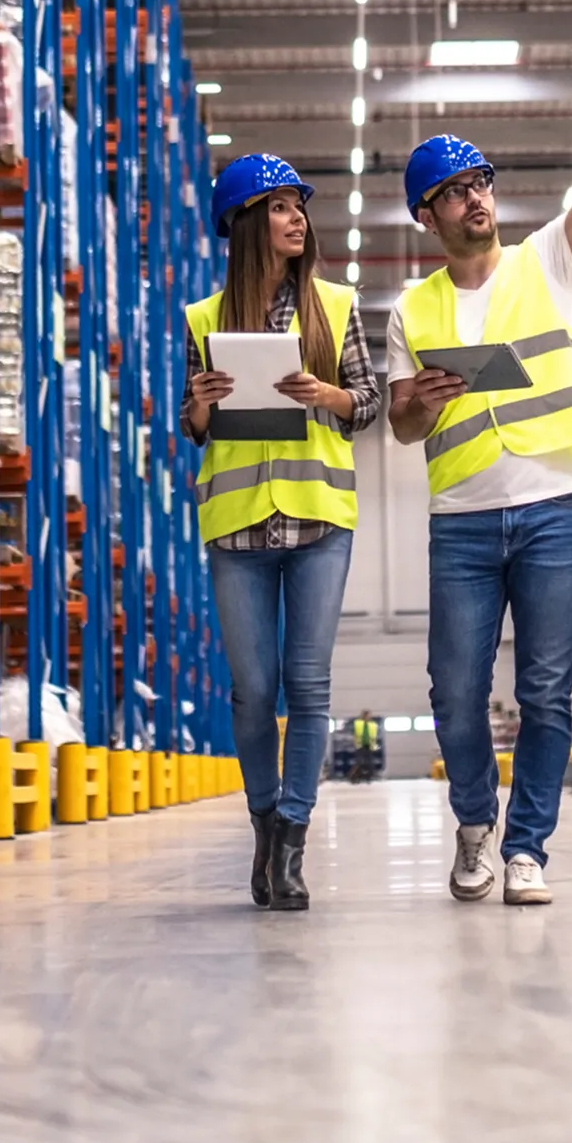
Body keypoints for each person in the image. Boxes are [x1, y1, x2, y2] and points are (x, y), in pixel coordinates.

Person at [386, 12, 572, 906]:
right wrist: (415, 404)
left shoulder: (548, 261)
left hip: (554, 507)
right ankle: (474, 820)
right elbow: (398, 425)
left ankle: (526, 849)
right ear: (428, 213)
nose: (477, 198)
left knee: (546, 692)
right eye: (457, 191)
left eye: (482, 184)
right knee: (455, 690)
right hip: (462, 521)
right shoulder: (410, 310)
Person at [181, 153, 380, 912]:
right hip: (237, 526)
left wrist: (325, 392)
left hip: (319, 518)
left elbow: (367, 404)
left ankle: (292, 840)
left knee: (308, 685)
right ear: (243, 225)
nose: (298, 218)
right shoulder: (204, 318)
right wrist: (199, 402)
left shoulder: (336, 303)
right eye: (280, 207)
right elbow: (193, 427)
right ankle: (263, 825)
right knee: (252, 689)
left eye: (300, 206)